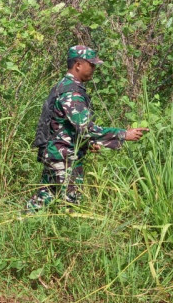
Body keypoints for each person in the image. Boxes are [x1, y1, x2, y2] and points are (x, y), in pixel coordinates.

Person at [26, 45, 148, 212]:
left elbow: (65, 126)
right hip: (64, 157)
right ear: (78, 65)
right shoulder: (71, 93)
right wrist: (123, 134)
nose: (94, 68)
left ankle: (24, 223)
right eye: (91, 64)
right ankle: (65, 236)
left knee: (44, 198)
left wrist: (87, 143)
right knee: (69, 203)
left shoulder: (63, 86)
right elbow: (87, 128)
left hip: (55, 153)